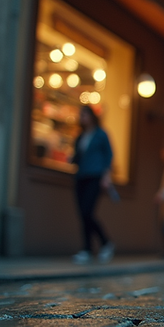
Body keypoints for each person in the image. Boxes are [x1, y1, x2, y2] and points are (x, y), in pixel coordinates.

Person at [70, 106, 116, 264]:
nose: (82, 118)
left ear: (92, 116)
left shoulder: (101, 134)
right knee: (82, 214)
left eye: (84, 115)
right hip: (81, 176)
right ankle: (87, 249)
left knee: (88, 211)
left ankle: (106, 242)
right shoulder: (81, 136)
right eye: (80, 115)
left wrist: (106, 176)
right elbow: (77, 156)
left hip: (95, 177)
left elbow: (109, 155)